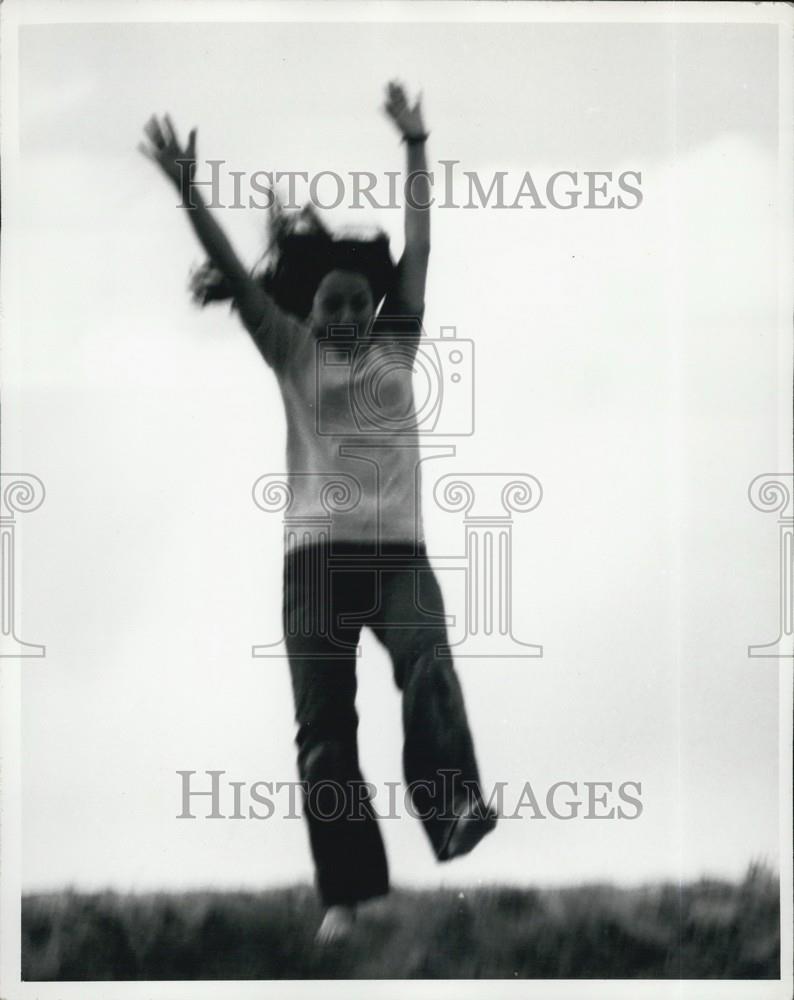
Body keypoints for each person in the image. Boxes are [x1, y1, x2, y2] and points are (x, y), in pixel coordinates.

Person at [139, 82, 496, 944]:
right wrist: (190, 193)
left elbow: (419, 243)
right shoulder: (289, 347)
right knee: (326, 735)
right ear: (307, 310)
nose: (339, 315)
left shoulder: (396, 342)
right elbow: (232, 270)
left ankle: (451, 813)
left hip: (398, 557)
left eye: (352, 303)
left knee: (429, 664)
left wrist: (415, 144)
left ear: (372, 308)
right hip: (316, 566)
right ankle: (347, 896)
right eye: (326, 304)